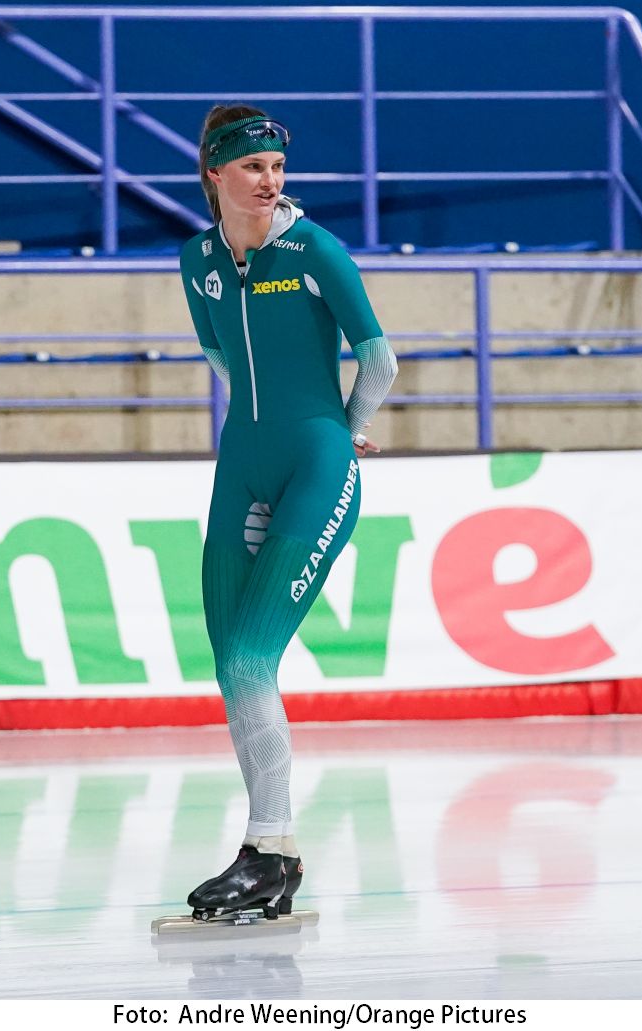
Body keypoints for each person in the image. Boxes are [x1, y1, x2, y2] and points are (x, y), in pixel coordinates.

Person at [177, 105, 397, 922]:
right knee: (234, 664)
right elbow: (218, 355)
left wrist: (347, 431)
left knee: (248, 655)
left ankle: (270, 846)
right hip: (244, 465)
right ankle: (269, 853)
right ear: (215, 175)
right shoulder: (196, 258)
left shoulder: (314, 249)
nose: (270, 181)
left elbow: (379, 356)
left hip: (316, 464)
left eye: (276, 166)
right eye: (252, 168)